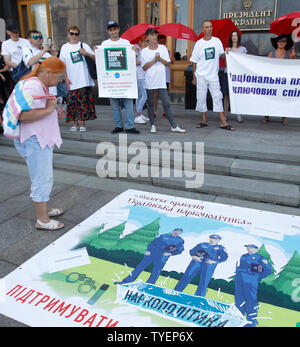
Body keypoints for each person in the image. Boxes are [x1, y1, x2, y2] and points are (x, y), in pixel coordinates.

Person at [2, 57, 66, 230]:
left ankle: (46, 209)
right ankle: (42, 219)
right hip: (35, 139)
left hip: (37, 138)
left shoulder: (33, 83)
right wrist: (49, 110)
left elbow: (35, 110)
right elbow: (22, 115)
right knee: (42, 178)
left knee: (42, 176)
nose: (60, 81)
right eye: (59, 77)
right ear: (48, 72)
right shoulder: (33, 86)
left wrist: (52, 113)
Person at [190, 20, 234, 131]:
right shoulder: (199, 44)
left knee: (217, 97)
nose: (209, 29)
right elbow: (194, 62)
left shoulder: (217, 41)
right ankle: (204, 121)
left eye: (210, 27)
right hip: (201, 75)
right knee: (201, 97)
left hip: (213, 75)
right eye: (206, 27)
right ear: (202, 29)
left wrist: (226, 52)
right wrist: (194, 77)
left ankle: (223, 122)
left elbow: (222, 56)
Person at [141, 28, 186, 134]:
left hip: (161, 81)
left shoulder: (163, 48)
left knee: (166, 103)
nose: (154, 36)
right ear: (147, 37)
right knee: (151, 103)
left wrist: (160, 59)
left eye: (155, 34)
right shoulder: (144, 51)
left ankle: (173, 126)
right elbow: (144, 67)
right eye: (152, 35)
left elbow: (169, 64)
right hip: (150, 81)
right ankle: (152, 124)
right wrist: (154, 60)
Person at [99, 21, 140, 134]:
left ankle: (130, 126)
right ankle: (118, 126)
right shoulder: (104, 44)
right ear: (108, 31)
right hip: (111, 79)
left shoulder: (126, 43)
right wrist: (96, 51)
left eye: (115, 29)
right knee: (114, 105)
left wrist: (135, 52)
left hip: (125, 79)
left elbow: (132, 57)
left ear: (118, 29)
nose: (113, 31)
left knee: (128, 103)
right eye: (111, 30)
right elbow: (101, 59)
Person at [114, 228, 185, 285]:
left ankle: (149, 286)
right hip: (152, 253)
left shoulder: (180, 240)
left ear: (179, 234)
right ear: (173, 231)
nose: (175, 233)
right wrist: (148, 250)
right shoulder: (163, 236)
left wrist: (170, 254)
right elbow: (152, 243)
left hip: (163, 256)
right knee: (139, 267)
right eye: (175, 231)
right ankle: (126, 282)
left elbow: (180, 250)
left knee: (156, 271)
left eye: (177, 233)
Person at [59, 26, 96, 132]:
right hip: (71, 80)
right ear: (68, 34)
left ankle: (83, 123)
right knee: (72, 103)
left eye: (76, 34)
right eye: (72, 33)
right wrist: (65, 78)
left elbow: (95, 57)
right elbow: (62, 65)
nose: (74, 36)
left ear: (79, 35)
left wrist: (86, 53)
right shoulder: (64, 47)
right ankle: (75, 123)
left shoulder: (83, 45)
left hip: (84, 80)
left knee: (84, 102)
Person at [235, 244, 272, 327]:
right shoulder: (243, 256)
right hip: (240, 281)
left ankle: (252, 321)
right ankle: (238, 318)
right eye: (248, 247)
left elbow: (268, 270)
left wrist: (257, 277)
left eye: (251, 248)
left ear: (256, 249)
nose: (249, 249)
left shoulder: (260, 258)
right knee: (239, 299)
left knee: (251, 300)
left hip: (251, 282)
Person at [263, 34, 296, 125]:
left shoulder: (289, 54)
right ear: (276, 43)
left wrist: (292, 58)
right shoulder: (271, 54)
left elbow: (292, 68)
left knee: (283, 98)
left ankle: (284, 116)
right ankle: (266, 115)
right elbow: (266, 66)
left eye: (283, 41)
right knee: (270, 98)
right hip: (273, 80)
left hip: (284, 80)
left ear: (286, 43)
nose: (281, 43)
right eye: (279, 41)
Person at [23, 30, 58, 96]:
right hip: (37, 86)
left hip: (51, 87)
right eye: (35, 37)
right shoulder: (28, 50)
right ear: (29, 39)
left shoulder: (47, 51)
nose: (38, 39)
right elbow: (30, 62)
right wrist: (43, 51)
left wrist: (54, 54)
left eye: (40, 37)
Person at [223, 30, 247, 123]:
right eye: (232, 36)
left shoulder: (243, 49)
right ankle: (225, 114)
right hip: (227, 73)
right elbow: (226, 63)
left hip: (238, 75)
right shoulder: (228, 49)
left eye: (236, 36)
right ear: (231, 38)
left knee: (238, 94)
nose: (234, 37)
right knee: (226, 95)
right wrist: (226, 53)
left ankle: (238, 113)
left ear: (238, 37)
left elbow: (245, 61)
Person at [153, 34, 174, 119]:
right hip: (156, 75)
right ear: (157, 41)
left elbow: (169, 63)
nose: (163, 43)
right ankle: (154, 111)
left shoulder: (167, 51)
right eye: (161, 42)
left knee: (164, 95)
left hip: (165, 76)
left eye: (164, 42)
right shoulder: (154, 50)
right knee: (155, 94)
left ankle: (165, 111)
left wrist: (172, 60)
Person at [134, 35, 149, 125]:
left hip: (143, 74)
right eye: (143, 40)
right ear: (139, 40)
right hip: (139, 75)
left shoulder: (142, 48)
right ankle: (137, 114)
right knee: (144, 95)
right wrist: (139, 62)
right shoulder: (136, 47)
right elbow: (133, 60)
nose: (145, 42)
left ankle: (139, 114)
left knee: (140, 95)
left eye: (145, 40)